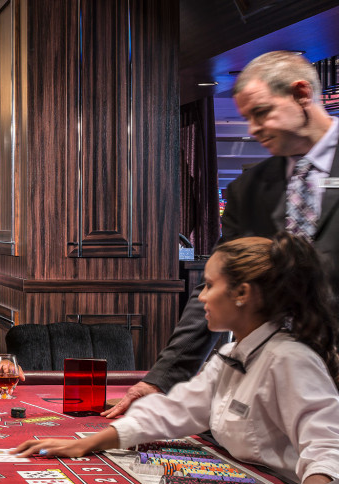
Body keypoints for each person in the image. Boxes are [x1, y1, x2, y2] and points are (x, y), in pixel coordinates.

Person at [16, 234, 339, 484]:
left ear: (242, 293)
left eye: (210, 285)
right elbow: (177, 410)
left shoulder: (289, 358)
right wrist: (85, 444)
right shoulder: (234, 352)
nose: (201, 298)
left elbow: (328, 443)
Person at [104, 50, 339, 418]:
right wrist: (162, 379)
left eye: (261, 112)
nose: (253, 129)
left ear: (301, 94)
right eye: (247, 118)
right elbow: (218, 286)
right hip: (271, 383)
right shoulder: (250, 188)